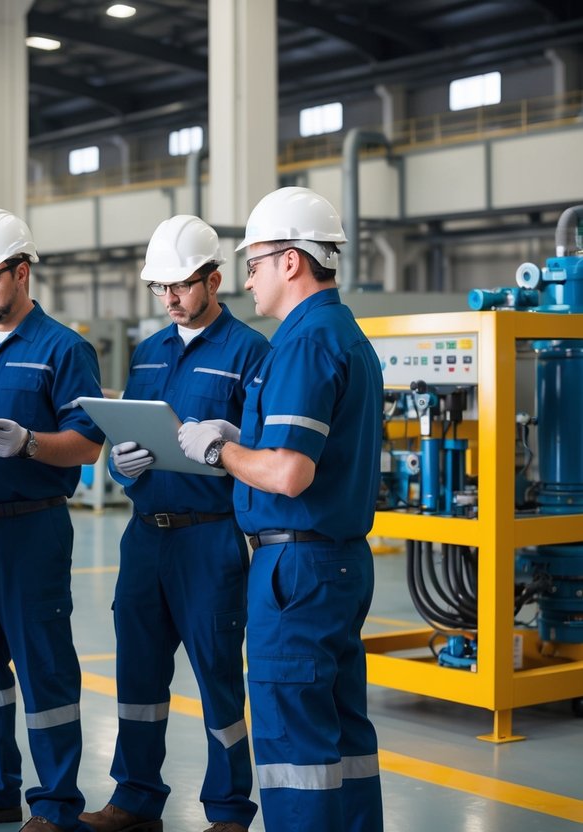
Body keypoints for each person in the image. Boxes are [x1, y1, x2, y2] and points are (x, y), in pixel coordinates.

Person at [178, 186, 385, 832]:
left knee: (294, 746)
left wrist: (220, 453)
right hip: (337, 565)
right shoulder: (341, 334)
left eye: (254, 262)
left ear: (290, 261)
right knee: (340, 735)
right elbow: (301, 452)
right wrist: (245, 442)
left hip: (295, 573)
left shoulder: (300, 342)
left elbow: (289, 474)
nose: (247, 278)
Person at [81, 217, 269, 832]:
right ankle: (135, 798)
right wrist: (121, 461)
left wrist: (236, 444)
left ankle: (228, 811)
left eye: (181, 286)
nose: (170, 299)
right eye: (160, 287)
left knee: (218, 675)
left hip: (209, 536)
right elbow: (131, 433)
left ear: (215, 280)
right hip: (145, 535)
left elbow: (263, 452)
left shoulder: (249, 352)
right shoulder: (148, 352)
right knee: (136, 672)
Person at [0, 208, 105, 832]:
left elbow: (87, 444)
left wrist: (31, 442)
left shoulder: (66, 348)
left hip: (32, 527)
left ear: (21, 272)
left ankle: (56, 803)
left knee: (42, 664)